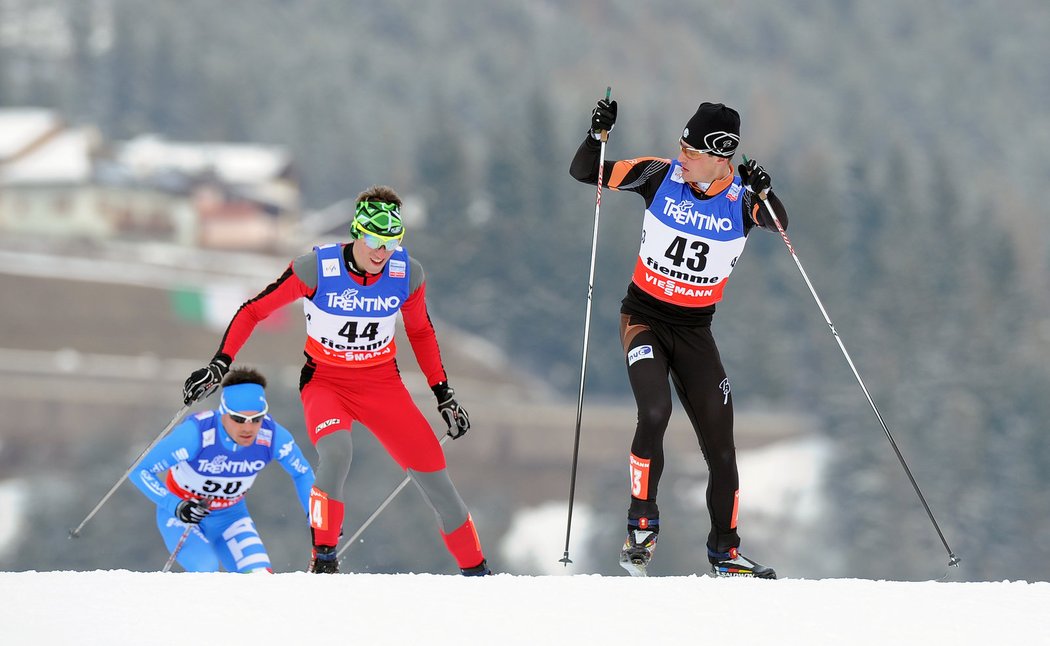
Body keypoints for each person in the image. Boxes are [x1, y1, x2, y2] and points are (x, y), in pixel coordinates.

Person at [182, 185, 490, 576]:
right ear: (357, 232)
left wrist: (443, 395)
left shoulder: (406, 273)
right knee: (337, 453)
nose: (382, 253)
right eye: (375, 241)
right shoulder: (317, 268)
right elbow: (253, 311)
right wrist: (218, 365)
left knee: (436, 477)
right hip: (326, 383)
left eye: (392, 243)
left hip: (382, 385)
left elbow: (422, 333)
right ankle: (324, 561)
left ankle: (479, 575)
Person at [569, 98, 788, 579]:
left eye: (690, 149)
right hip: (643, 318)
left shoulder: (741, 201)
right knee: (654, 411)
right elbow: (584, 171)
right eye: (680, 145)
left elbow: (779, 223)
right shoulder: (657, 175)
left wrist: (765, 191)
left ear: (720, 154)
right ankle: (641, 525)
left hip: (694, 331)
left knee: (722, 448)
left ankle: (725, 553)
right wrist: (596, 135)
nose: (680, 155)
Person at [131, 367, 315, 572]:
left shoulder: (272, 437)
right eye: (238, 419)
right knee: (206, 569)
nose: (248, 428)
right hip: (183, 515)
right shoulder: (195, 435)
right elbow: (140, 469)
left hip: (230, 517)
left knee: (260, 579)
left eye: (256, 419)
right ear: (223, 414)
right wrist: (176, 505)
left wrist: (316, 514)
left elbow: (302, 472)